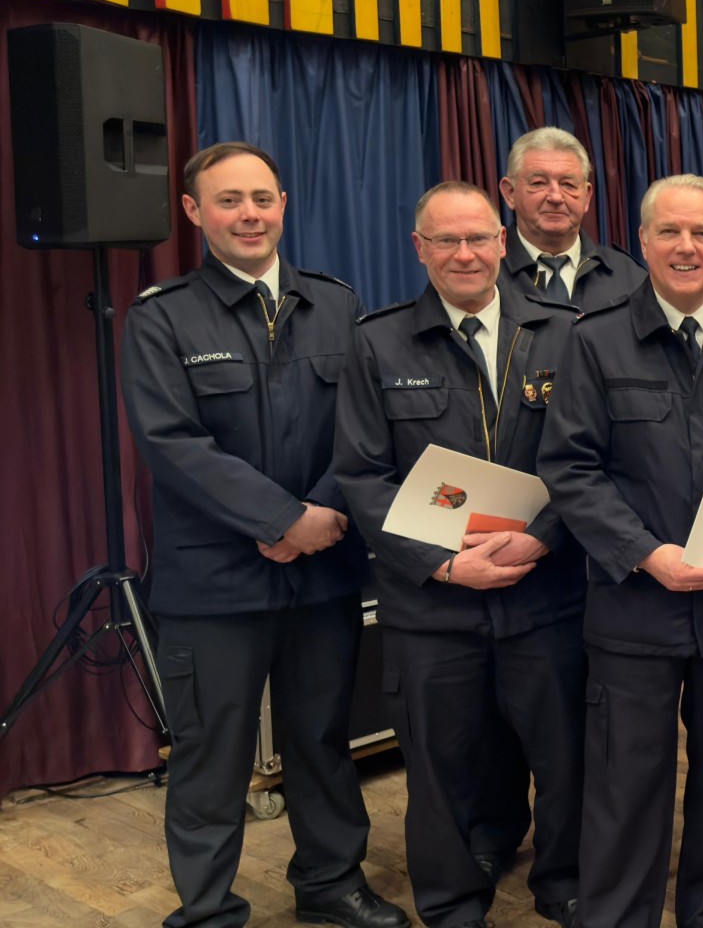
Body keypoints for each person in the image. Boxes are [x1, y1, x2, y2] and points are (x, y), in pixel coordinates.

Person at [121, 142, 406, 928]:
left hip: (323, 571)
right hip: (215, 584)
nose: (248, 214)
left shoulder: (337, 306)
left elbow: (362, 428)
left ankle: (330, 882)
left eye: (262, 198)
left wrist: (316, 518)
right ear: (192, 212)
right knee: (212, 759)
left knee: (321, 740)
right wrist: (282, 521)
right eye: (228, 200)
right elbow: (172, 445)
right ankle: (209, 910)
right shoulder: (161, 317)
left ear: (283, 203)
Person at [538, 174, 703, 928]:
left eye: (702, 234)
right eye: (669, 232)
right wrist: (643, 553)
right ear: (643, 241)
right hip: (635, 609)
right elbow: (570, 467)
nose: (686, 247)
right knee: (627, 788)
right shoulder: (593, 341)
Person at [332, 182, 586, 928]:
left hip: (545, 595)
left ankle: (564, 881)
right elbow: (361, 476)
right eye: (446, 241)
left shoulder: (566, 333)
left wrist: (542, 537)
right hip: (431, 604)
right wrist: (443, 563)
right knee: (438, 768)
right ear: (421, 249)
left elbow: (592, 462)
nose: (465, 254)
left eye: (478, 238)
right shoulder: (377, 342)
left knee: (565, 756)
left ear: (504, 242)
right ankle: (450, 902)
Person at [498, 126, 647, 313]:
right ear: (510, 193)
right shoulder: (486, 275)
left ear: (587, 196)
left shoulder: (629, 277)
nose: (555, 197)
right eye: (539, 183)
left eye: (568, 184)